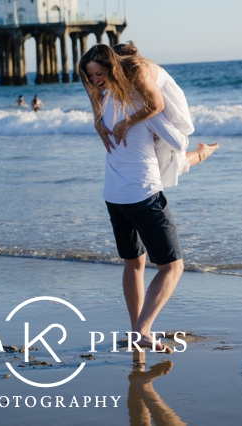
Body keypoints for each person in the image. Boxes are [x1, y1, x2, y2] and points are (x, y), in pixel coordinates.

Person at [78, 42, 220, 354]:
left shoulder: (108, 102)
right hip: (143, 195)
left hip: (113, 197)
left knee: (135, 264)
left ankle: (136, 331)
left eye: (100, 74)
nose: (96, 81)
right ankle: (142, 330)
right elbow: (178, 139)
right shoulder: (140, 103)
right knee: (172, 267)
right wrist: (157, 130)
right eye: (93, 76)